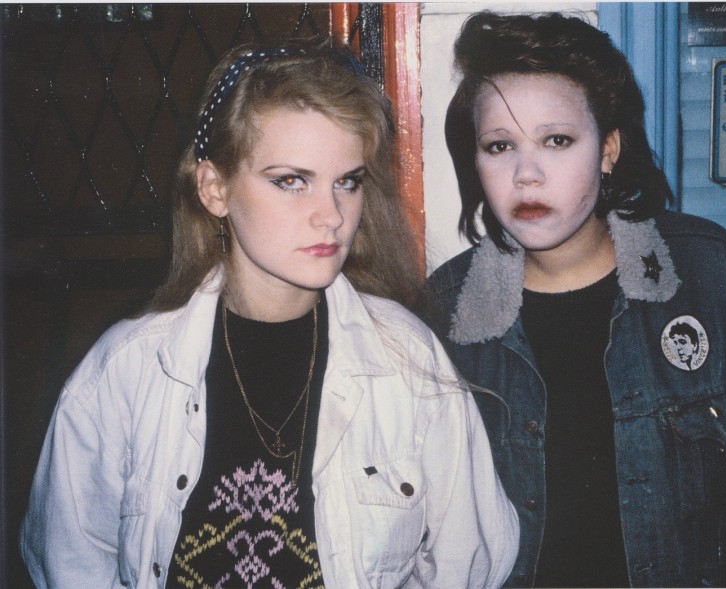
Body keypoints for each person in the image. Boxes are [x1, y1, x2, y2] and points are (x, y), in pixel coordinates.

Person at [20, 39, 518, 589]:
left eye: (347, 182)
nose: (330, 215)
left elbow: (469, 560)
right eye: (291, 181)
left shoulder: (408, 361)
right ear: (214, 188)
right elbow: (70, 563)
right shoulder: (126, 370)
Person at [422, 11, 726, 588]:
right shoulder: (444, 314)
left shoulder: (709, 275)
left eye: (557, 140)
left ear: (608, 149)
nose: (526, 174)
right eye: (499, 145)